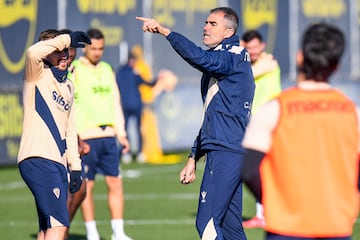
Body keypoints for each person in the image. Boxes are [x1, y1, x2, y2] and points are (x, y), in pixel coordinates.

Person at [137, 6, 254, 240]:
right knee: (231, 230)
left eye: (213, 24)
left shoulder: (232, 56)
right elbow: (214, 116)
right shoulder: (226, 56)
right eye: (206, 22)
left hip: (226, 151)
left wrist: (165, 31)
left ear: (228, 32)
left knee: (207, 225)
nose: (205, 27)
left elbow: (200, 58)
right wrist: (193, 157)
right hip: (228, 150)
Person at [241, 22, 360, 240]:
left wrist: (276, 200)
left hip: (286, 228)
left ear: (299, 57)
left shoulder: (274, 109)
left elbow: (248, 168)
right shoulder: (352, 113)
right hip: (336, 225)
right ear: (336, 66)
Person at [17, 29, 91, 240]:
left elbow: (70, 129)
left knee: (47, 228)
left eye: (66, 50)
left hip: (57, 163)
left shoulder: (68, 85)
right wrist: (66, 39)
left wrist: (75, 166)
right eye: (58, 50)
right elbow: (32, 52)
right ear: (47, 52)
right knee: (59, 226)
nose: (64, 55)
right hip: (38, 158)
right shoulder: (37, 73)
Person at [70, 28, 132, 240]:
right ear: (85, 47)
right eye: (93, 48)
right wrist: (75, 137)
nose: (97, 52)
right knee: (87, 187)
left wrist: (121, 134)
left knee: (115, 183)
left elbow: (115, 102)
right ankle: (92, 233)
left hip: (108, 136)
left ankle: (118, 232)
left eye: (101, 48)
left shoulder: (107, 69)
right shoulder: (75, 69)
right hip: (86, 137)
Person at [240, 29, 282, 228]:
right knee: (259, 170)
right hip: (255, 126)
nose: (253, 51)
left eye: (255, 47)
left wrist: (239, 54)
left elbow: (245, 73)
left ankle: (271, 211)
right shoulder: (248, 62)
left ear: (262, 46)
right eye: (249, 48)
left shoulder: (269, 61)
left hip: (272, 125)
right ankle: (262, 213)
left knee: (270, 169)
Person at [59, 28, 91, 240]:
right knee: (71, 191)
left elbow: (70, 114)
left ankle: (61, 230)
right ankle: (60, 231)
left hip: (71, 138)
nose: (69, 59)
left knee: (79, 189)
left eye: (72, 55)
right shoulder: (47, 75)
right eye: (67, 55)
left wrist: (78, 139)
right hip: (53, 143)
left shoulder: (71, 74)